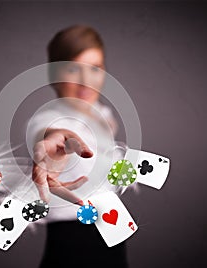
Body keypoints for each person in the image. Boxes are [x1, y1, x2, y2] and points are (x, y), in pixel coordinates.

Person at [25, 25, 129, 267]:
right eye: (73, 69)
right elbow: (48, 133)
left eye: (95, 69)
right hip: (71, 236)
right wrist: (54, 138)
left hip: (113, 231)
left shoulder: (104, 114)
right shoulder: (47, 118)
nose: (85, 81)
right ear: (55, 75)